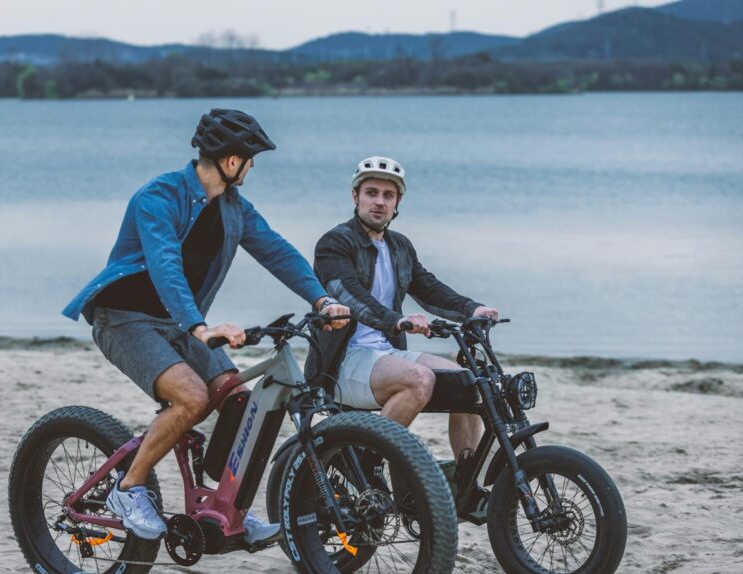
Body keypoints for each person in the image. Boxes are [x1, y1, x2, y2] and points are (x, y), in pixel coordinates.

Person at [62, 109, 349, 543]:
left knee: (237, 396)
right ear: (233, 162)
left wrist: (321, 298)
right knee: (191, 399)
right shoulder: (158, 197)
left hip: (178, 321)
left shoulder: (234, 209)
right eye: (251, 158)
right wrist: (198, 325)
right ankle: (128, 488)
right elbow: (165, 266)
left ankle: (223, 505)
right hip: (126, 319)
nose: (253, 166)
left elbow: (277, 251)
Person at [306, 156, 498, 463]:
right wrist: (397, 321)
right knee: (419, 380)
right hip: (343, 361)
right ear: (355, 196)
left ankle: (465, 479)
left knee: (468, 382)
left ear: (398, 203)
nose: (379, 202)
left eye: (388, 195)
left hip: (386, 354)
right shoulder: (335, 243)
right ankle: (368, 461)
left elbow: (428, 288)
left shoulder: (400, 247)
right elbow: (350, 295)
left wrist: (472, 310)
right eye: (371, 193)